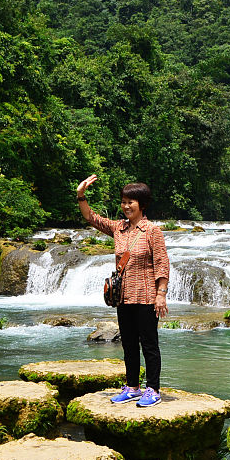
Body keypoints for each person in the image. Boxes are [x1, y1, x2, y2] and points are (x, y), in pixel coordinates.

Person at [76, 174, 170, 408]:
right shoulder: (119, 228)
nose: (126, 206)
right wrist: (81, 195)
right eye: (124, 201)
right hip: (123, 297)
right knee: (128, 343)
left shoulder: (152, 232)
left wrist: (161, 294)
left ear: (142, 204)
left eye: (131, 202)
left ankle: (153, 389)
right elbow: (91, 218)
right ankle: (132, 387)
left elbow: (162, 263)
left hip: (147, 296)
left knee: (149, 344)